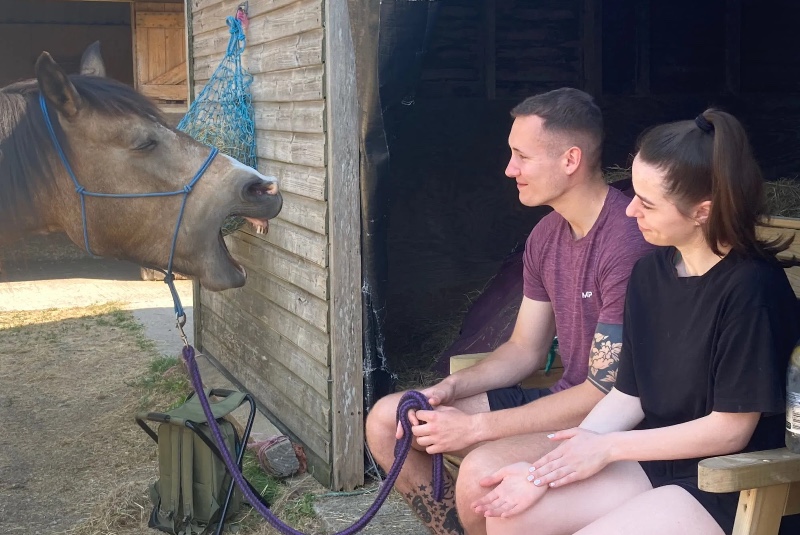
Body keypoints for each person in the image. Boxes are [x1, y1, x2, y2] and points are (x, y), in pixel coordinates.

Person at [470, 109, 800, 535]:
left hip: (732, 478)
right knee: (512, 513)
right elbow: (629, 395)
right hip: (653, 455)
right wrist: (549, 468)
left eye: (646, 202)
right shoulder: (651, 273)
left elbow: (730, 430)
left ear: (703, 211)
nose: (629, 213)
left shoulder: (752, 289)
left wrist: (607, 449)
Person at [364, 87, 654, 535]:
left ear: (570, 160)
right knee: (388, 419)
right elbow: (523, 350)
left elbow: (605, 393)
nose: (509, 169)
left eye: (522, 156)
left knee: (481, 472)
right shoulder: (545, 236)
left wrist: (477, 428)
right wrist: (451, 386)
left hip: (605, 421)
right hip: (561, 397)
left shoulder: (626, 243)